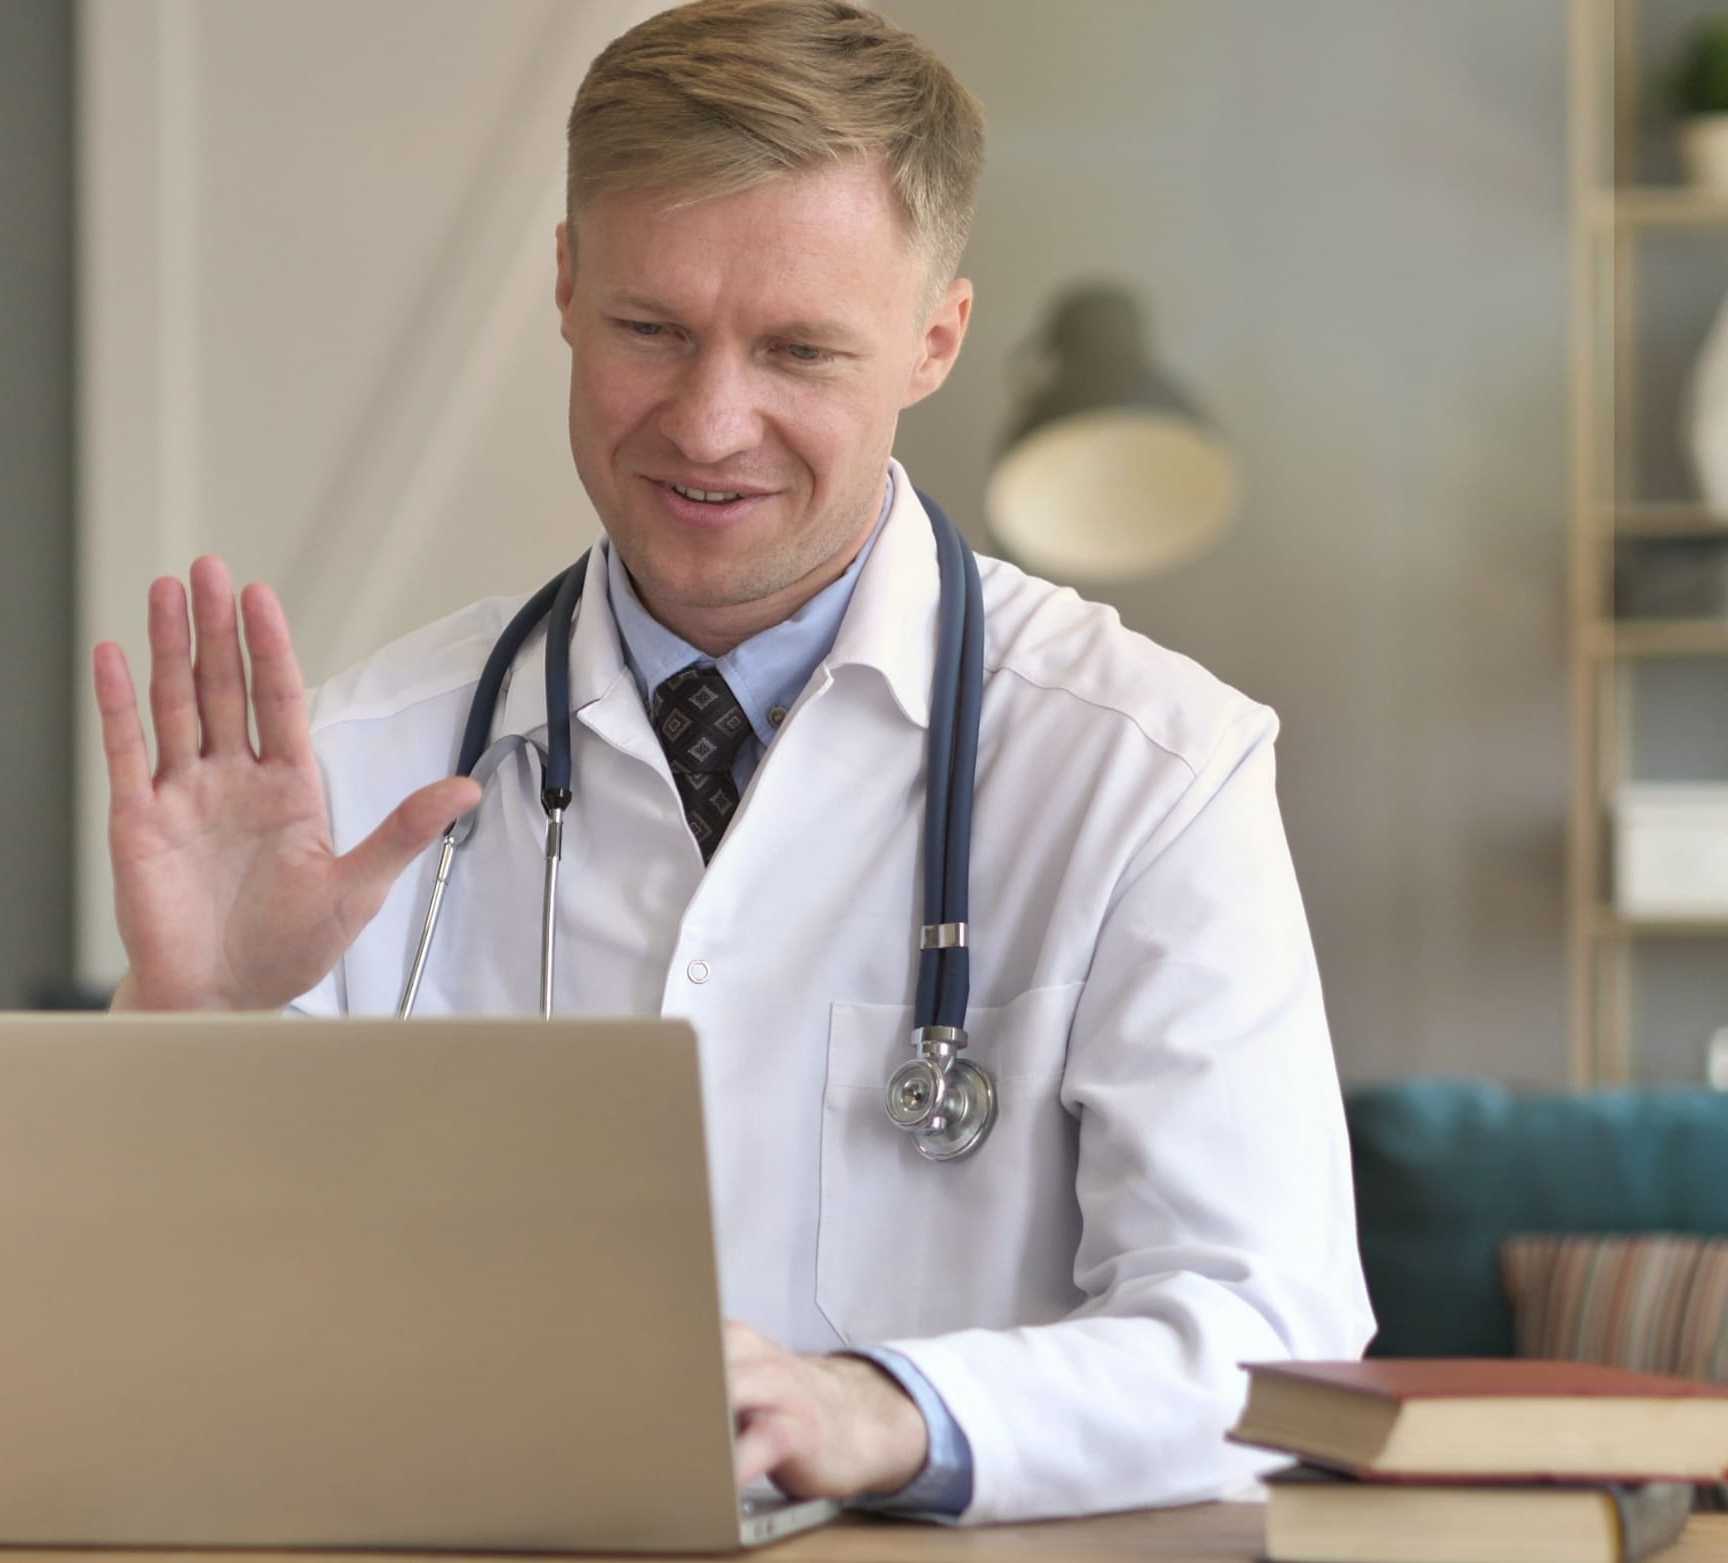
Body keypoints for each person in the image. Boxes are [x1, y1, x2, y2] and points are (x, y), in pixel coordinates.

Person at [90, 0, 1374, 1526]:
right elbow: (176, 1377)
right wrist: (189, 1035)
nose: (709, 424)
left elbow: (1272, 1347)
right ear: (565, 286)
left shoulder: (1153, 771)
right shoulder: (358, 765)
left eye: (800, 349)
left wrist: (886, 1407)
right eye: (651, 329)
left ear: (935, 340)